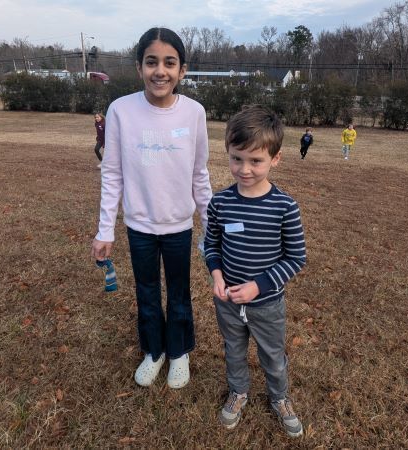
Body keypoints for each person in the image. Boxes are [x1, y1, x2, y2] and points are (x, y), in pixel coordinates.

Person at [90, 27, 212, 389]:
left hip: (178, 227)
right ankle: (154, 351)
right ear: (140, 66)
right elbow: (112, 173)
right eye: (152, 62)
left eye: (169, 63)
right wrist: (105, 230)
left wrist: (210, 224)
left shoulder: (194, 113)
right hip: (140, 226)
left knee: (178, 293)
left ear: (182, 70)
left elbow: (199, 173)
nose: (161, 71)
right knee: (146, 292)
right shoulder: (120, 111)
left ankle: (178, 351)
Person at [204, 105, 307, 437]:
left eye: (256, 161)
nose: (244, 169)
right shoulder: (220, 202)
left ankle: (279, 397)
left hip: (267, 304)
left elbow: (296, 258)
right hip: (228, 301)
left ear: (275, 159)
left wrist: (259, 286)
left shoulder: (285, 207)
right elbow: (211, 245)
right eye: (236, 158)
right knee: (233, 349)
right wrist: (217, 276)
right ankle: (238, 392)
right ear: (228, 154)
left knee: (273, 356)